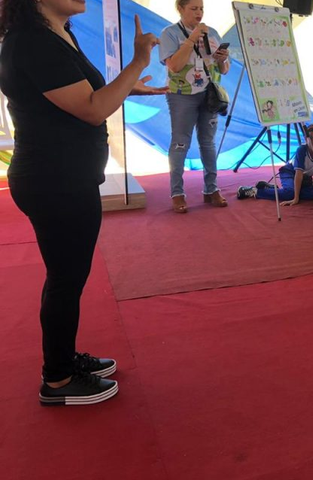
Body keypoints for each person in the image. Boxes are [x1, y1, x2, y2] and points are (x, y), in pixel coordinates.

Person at [0, 0, 164, 404]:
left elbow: (84, 95)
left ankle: (64, 358)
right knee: (65, 279)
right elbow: (93, 109)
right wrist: (138, 61)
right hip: (54, 179)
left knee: (67, 276)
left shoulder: (55, 33)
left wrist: (126, 86)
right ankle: (57, 379)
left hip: (63, 176)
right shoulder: (33, 41)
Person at [160, 0, 230, 213]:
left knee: (208, 142)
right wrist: (192, 39)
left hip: (209, 95)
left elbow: (224, 69)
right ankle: (177, 193)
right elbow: (174, 65)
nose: (199, 13)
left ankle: (211, 189)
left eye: (201, 9)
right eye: (193, 9)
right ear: (180, 9)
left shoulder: (212, 33)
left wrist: (222, 59)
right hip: (181, 96)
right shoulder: (170, 33)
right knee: (180, 143)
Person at [249, 122, 313, 205]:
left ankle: (277, 190)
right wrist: (296, 198)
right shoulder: (302, 150)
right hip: (290, 172)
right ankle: (256, 191)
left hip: (304, 177)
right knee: (290, 193)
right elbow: (298, 174)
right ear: (306, 139)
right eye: (311, 139)